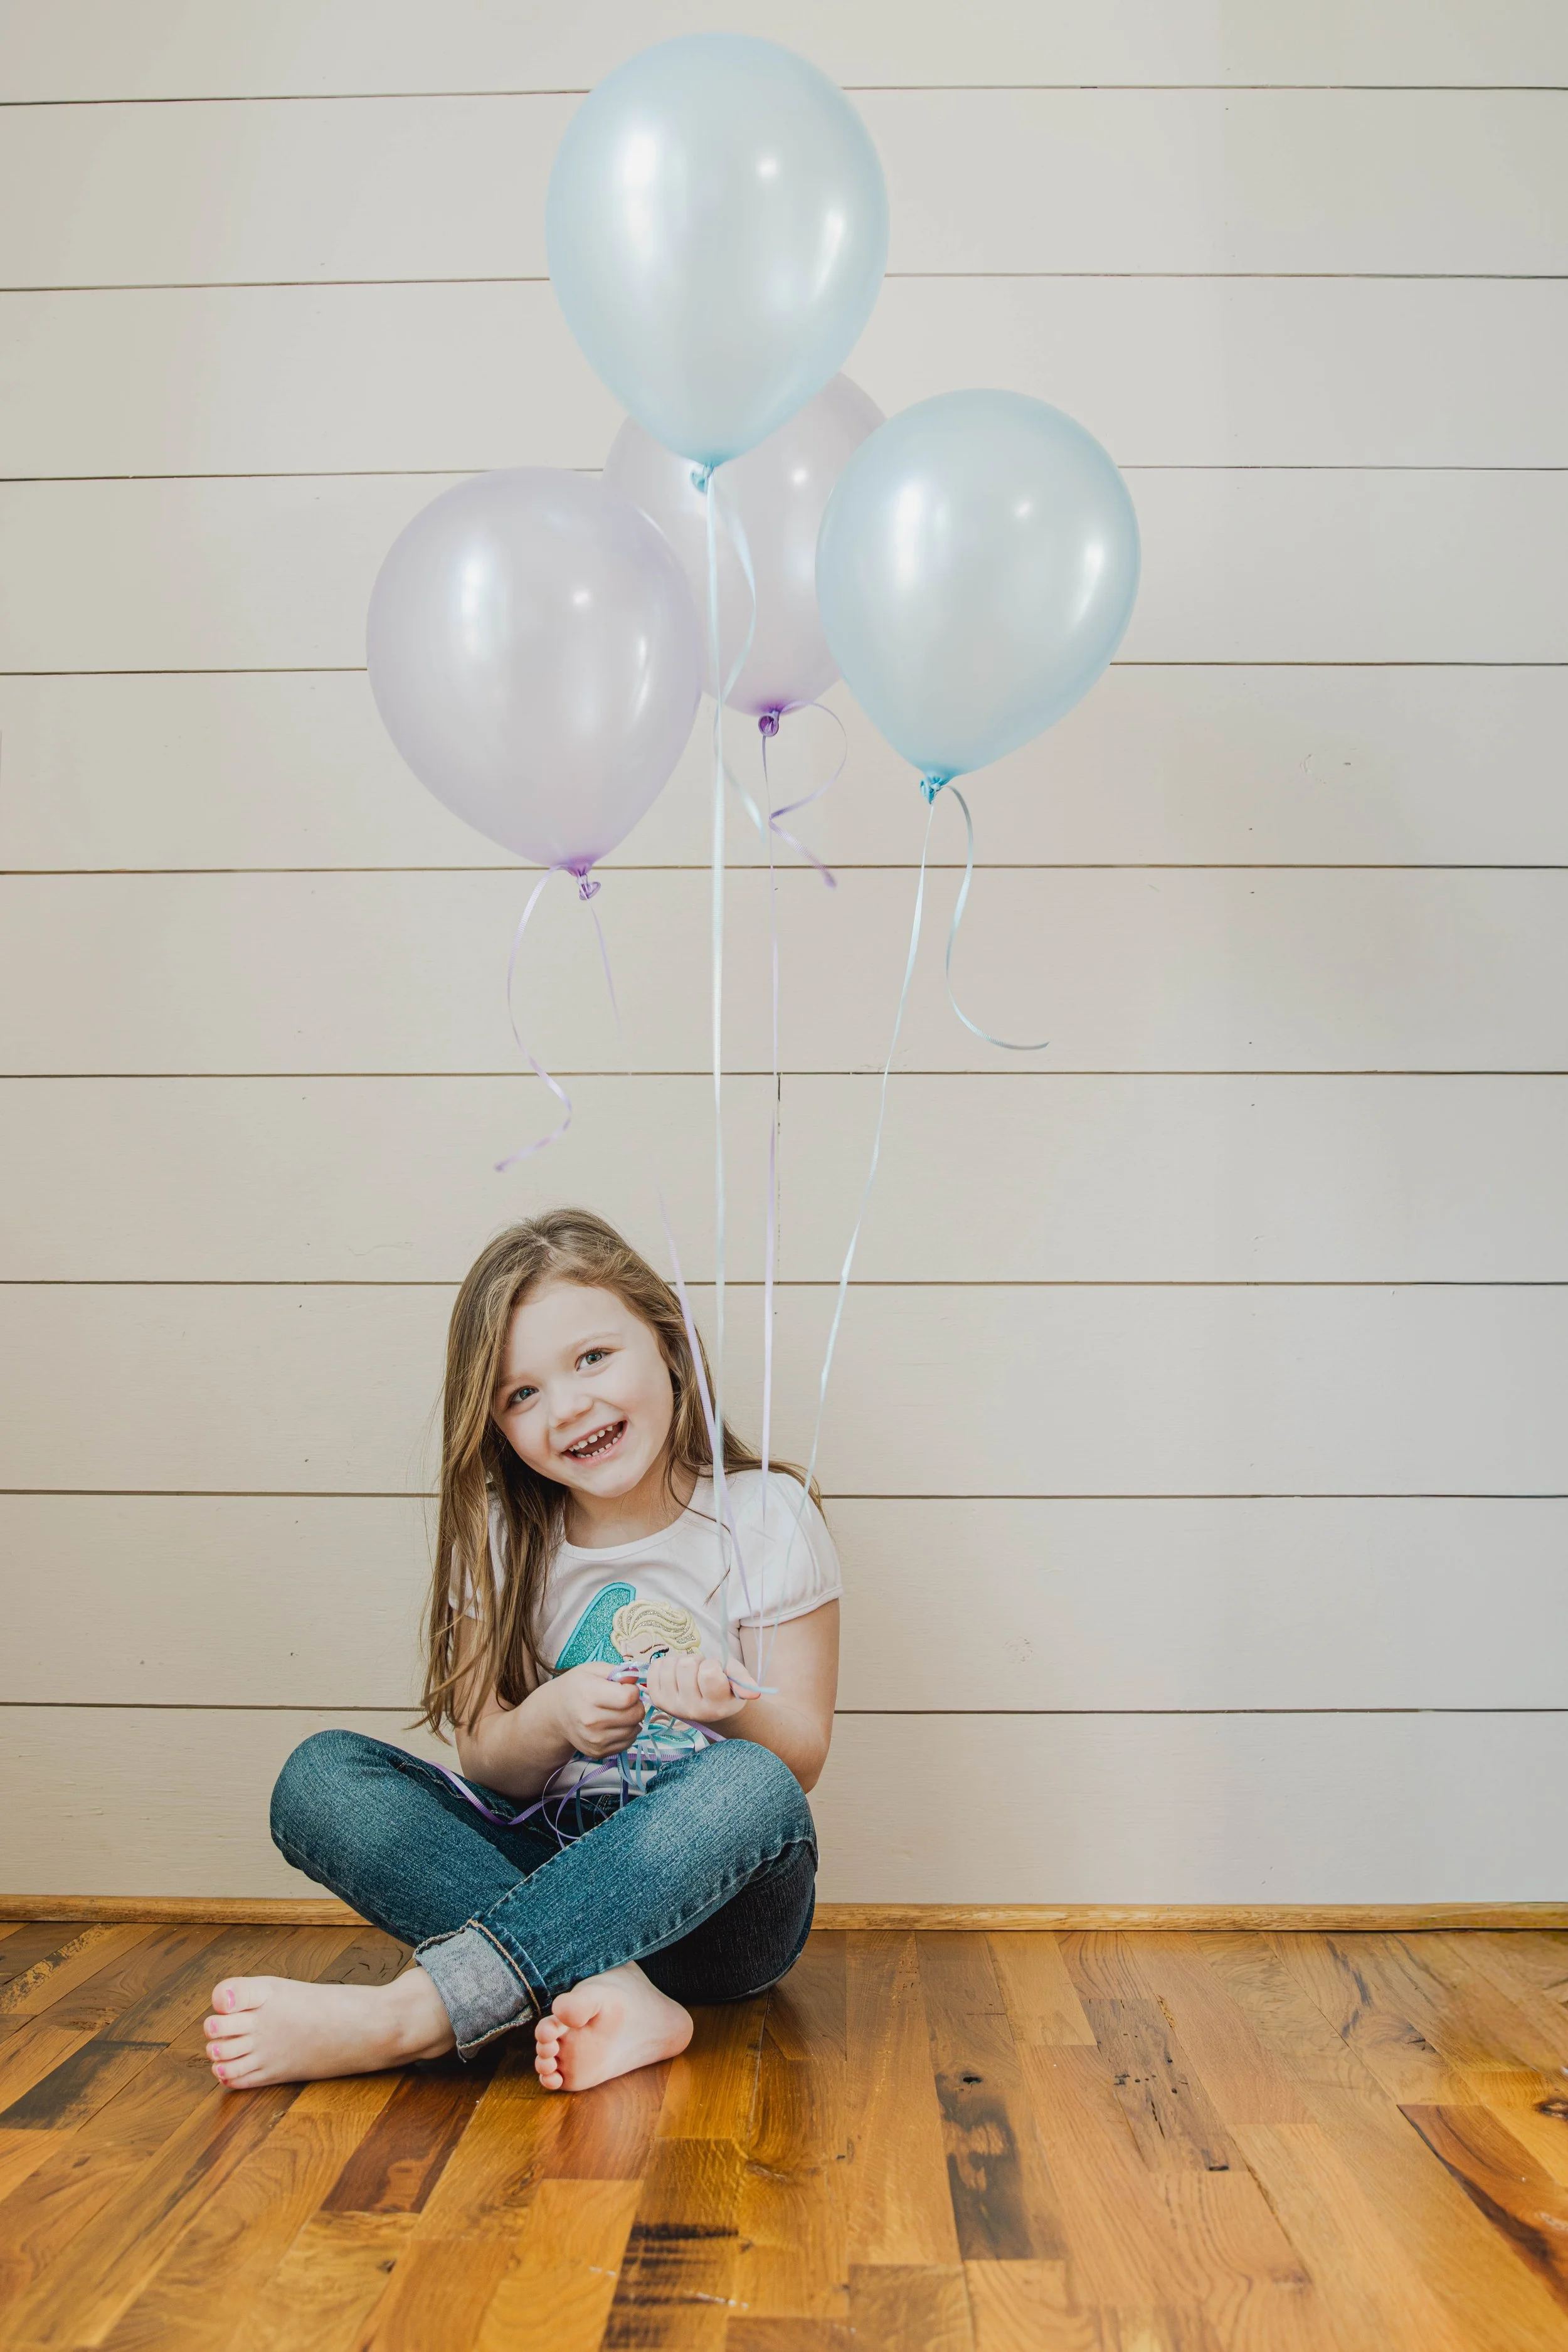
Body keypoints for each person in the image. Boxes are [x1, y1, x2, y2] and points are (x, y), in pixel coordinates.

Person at [202, 1209, 840, 2094]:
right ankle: (611, 1989)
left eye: (591, 1358)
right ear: (496, 1423)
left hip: (717, 1913)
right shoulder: (506, 1541)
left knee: (754, 1782)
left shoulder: (769, 1518)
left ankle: (416, 2014)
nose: (569, 1404)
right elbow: (490, 1764)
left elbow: (799, 1758)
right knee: (318, 1778)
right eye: (522, 1393)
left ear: (667, 1340)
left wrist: (724, 1704)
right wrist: (549, 1717)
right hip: (542, 1865)